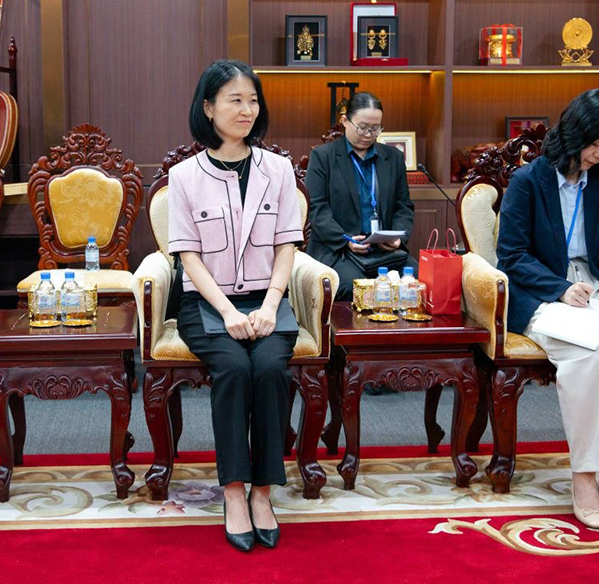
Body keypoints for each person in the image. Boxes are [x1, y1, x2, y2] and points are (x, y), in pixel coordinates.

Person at [496, 88, 599, 530]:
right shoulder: (528, 181)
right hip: (542, 291)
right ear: (575, 133)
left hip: (594, 287)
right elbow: (511, 255)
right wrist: (560, 288)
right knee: (592, 357)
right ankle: (585, 476)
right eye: (597, 143)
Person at [168, 59, 304, 551]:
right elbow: (188, 256)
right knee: (233, 368)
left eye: (253, 100)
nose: (247, 110)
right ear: (208, 107)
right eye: (235, 100)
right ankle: (233, 491)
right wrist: (227, 311)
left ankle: (263, 490)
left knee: (268, 369)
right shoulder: (184, 176)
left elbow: (287, 245)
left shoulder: (279, 169)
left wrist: (270, 305)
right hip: (207, 302)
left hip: (267, 299)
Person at [304, 92, 416, 301]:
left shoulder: (393, 158)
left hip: (383, 250)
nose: (368, 134)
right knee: (354, 287)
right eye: (362, 127)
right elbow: (316, 208)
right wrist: (345, 240)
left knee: (416, 279)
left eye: (375, 129)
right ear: (345, 121)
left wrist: (398, 238)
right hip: (338, 249)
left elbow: (403, 205)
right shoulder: (323, 156)